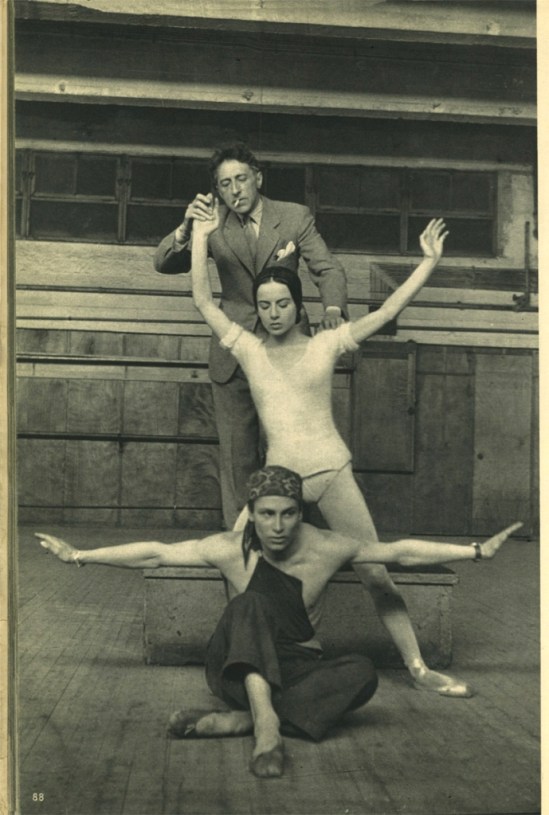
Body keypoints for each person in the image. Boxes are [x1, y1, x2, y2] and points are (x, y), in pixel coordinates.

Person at [35, 465, 521, 779]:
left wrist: (475, 551)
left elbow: (398, 552)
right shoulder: (229, 547)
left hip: (298, 670)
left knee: (362, 673)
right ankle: (266, 725)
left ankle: (244, 719)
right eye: (266, 514)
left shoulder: (327, 546)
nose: (278, 526)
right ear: (251, 513)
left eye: (288, 513)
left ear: (300, 513)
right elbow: (158, 552)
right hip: (234, 668)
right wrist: (79, 555)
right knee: (249, 604)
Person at [191, 205, 479, 699]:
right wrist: (200, 237)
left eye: (282, 303)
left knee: (375, 571)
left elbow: (387, 313)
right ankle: (246, 667)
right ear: (256, 309)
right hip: (279, 483)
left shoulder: (326, 344)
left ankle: (418, 668)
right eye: (264, 305)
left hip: (331, 472)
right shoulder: (247, 349)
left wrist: (428, 262)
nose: (273, 313)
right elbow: (202, 298)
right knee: (235, 565)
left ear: (298, 306)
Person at [154, 143, 348, 529]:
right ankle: (242, 550)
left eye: (241, 179)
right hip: (234, 356)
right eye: (224, 184)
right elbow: (164, 262)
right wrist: (185, 229)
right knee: (236, 458)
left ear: (258, 178)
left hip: (288, 354)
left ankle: (295, 544)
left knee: (292, 453)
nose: (235, 190)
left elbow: (327, 269)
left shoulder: (294, 217)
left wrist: (332, 311)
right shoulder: (212, 223)